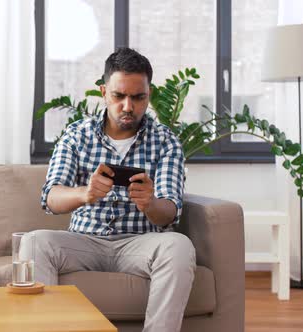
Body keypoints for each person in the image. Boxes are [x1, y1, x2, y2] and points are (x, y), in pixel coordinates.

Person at [33, 48, 195, 332]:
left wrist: (151, 204)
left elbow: (169, 212)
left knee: (179, 245)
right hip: (84, 241)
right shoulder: (77, 135)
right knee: (35, 242)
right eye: (119, 96)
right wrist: (85, 194)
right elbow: (50, 197)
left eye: (138, 97)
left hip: (140, 243)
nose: (128, 106)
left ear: (150, 94)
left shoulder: (166, 142)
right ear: (104, 92)